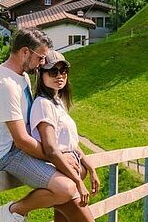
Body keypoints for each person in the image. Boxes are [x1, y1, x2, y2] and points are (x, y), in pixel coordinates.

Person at [0, 28, 93, 222]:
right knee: (66, 188)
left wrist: (63, 156)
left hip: (24, 150)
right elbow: (21, 141)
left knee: (74, 178)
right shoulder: (5, 85)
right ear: (25, 52)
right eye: (40, 57)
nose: (42, 64)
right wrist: (59, 158)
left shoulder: (21, 77)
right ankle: (14, 210)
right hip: (8, 154)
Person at [30, 50, 100, 221]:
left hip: (68, 176)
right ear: (41, 74)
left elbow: (68, 143)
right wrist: (78, 182)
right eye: (53, 71)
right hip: (62, 179)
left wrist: (89, 166)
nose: (60, 76)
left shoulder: (57, 102)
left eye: (63, 71)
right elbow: (51, 149)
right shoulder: (43, 104)